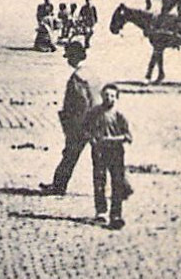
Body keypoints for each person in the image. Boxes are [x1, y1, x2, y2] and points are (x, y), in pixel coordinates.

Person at [40, 43, 97, 196]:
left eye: (68, 56)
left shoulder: (77, 78)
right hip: (100, 121)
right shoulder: (92, 73)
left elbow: (80, 104)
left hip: (84, 123)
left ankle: (58, 186)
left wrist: (73, 126)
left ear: (74, 57)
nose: (67, 60)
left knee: (70, 155)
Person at [87, 83, 131, 230]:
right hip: (99, 152)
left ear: (117, 98)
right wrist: (92, 140)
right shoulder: (94, 113)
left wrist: (113, 139)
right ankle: (101, 212)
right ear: (101, 96)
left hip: (116, 152)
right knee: (99, 182)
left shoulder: (119, 116)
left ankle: (116, 215)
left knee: (117, 183)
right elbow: (85, 130)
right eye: (106, 95)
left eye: (112, 96)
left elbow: (128, 136)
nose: (109, 98)